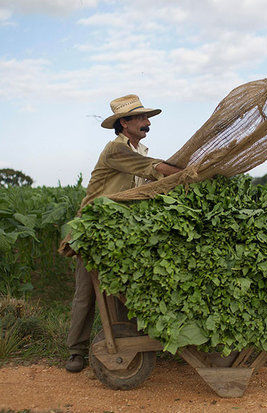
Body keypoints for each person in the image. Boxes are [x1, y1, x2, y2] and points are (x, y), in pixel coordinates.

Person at [65, 94, 181, 373]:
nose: (147, 122)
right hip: (95, 228)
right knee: (87, 293)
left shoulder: (140, 149)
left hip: (121, 230)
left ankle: (124, 341)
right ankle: (76, 352)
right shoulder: (115, 149)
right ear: (124, 122)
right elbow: (152, 169)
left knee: (124, 288)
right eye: (141, 118)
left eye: (147, 117)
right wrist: (188, 171)